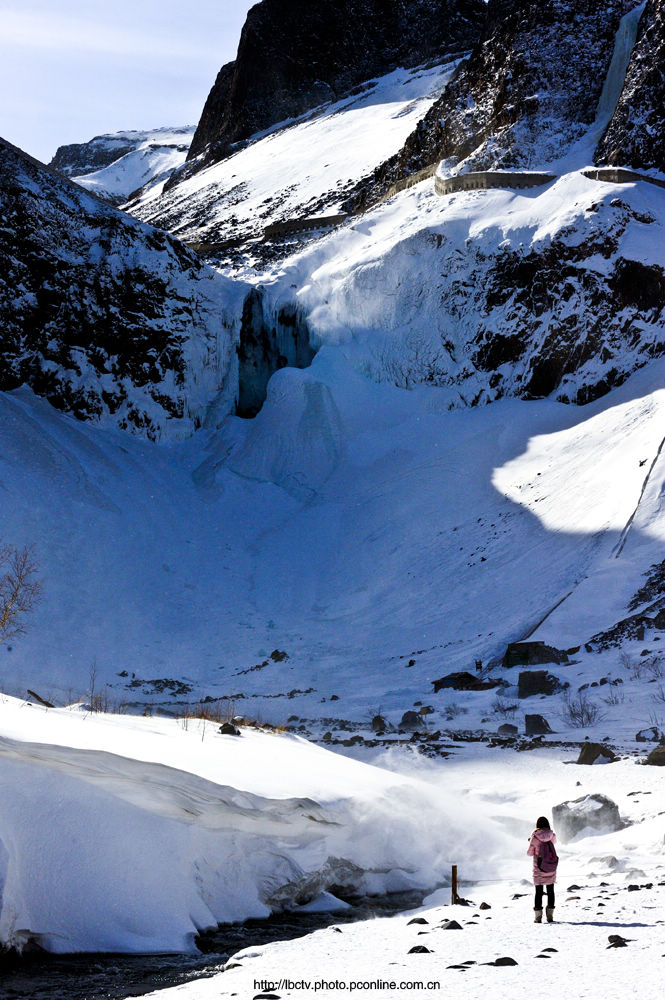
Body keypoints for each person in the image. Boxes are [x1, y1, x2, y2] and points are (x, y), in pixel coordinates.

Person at [527, 815, 557, 923]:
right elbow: (554, 843)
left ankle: (538, 917)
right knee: (551, 891)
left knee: (539, 892)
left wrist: (531, 841)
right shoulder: (552, 835)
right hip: (550, 867)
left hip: (539, 869)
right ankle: (550, 917)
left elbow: (529, 853)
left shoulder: (535, 837)